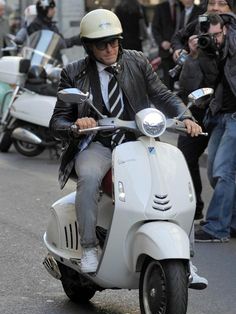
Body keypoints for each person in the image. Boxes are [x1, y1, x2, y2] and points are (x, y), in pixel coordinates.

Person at [50, 9, 207, 288]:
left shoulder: (137, 60)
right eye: (102, 44)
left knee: (174, 181)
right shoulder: (73, 72)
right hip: (98, 143)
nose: (110, 48)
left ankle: (186, 259)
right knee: (88, 178)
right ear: (88, 46)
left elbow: (161, 93)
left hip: (138, 140)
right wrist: (76, 124)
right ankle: (88, 247)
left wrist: (185, 116)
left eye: (115, 41)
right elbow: (57, 120)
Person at [171, 0, 235, 220]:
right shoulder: (200, 26)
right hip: (200, 108)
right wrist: (185, 51)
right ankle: (194, 208)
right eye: (212, 2)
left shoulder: (232, 34)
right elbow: (178, 38)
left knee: (222, 171)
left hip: (226, 111)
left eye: (222, 3)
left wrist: (221, 45)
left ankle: (223, 221)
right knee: (187, 157)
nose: (215, 8)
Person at [152, 0, 183, 90]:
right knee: (168, 81)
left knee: (182, 79)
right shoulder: (160, 7)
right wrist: (161, 42)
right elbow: (155, 28)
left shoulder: (182, 6)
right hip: (165, 50)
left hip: (180, 50)